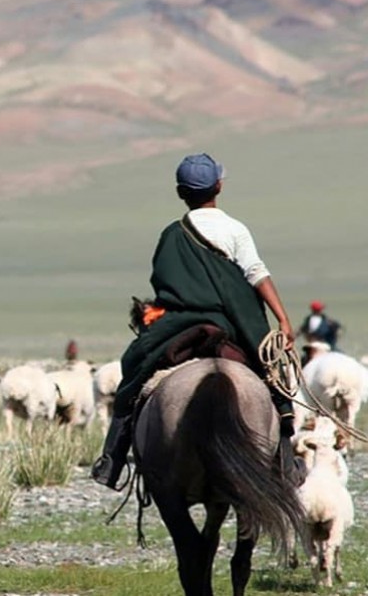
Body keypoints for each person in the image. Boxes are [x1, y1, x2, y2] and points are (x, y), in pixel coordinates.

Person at [92, 153, 298, 490]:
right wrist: (283, 319)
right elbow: (256, 274)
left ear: (180, 192)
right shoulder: (235, 229)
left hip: (180, 323)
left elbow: (164, 284)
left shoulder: (172, 235)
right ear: (218, 186)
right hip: (232, 323)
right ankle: (286, 459)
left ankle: (112, 460)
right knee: (274, 377)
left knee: (134, 368)